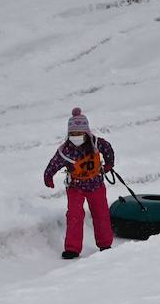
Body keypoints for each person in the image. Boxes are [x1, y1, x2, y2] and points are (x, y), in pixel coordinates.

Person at [42, 107, 115, 259]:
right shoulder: (65, 151)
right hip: (75, 188)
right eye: (73, 134)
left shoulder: (96, 144)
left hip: (96, 186)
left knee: (101, 215)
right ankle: (72, 248)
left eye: (79, 134)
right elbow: (54, 163)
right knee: (74, 216)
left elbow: (108, 149)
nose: (76, 137)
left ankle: (105, 244)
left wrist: (109, 164)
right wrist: (48, 176)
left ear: (86, 133)